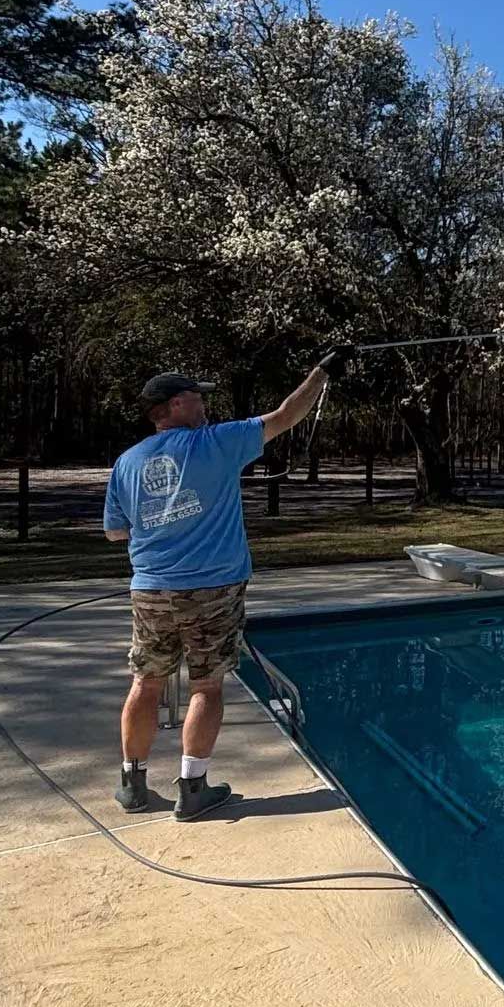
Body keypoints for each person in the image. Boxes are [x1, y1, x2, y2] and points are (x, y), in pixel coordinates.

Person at [103, 349, 354, 818]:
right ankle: (192, 789)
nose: (205, 406)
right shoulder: (216, 442)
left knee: (147, 681)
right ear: (176, 404)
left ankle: (133, 785)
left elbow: (115, 531)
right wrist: (322, 372)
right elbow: (285, 416)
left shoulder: (127, 462)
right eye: (198, 398)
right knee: (206, 686)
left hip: (150, 589)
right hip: (213, 591)